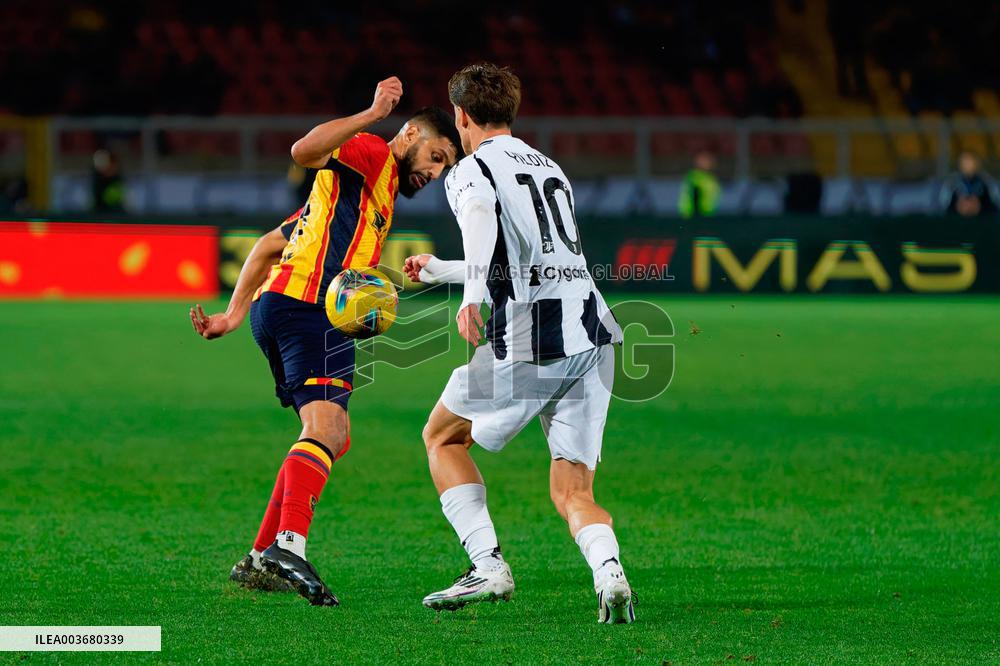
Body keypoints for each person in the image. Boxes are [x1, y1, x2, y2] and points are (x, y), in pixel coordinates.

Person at [190, 77, 462, 606]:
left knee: (332, 434)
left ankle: (261, 554)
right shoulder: (369, 154)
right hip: (307, 308)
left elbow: (273, 242)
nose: (436, 172)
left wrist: (232, 313)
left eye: (446, 166)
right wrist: (371, 112)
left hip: (289, 308)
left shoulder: (370, 193)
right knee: (327, 428)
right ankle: (287, 546)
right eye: (437, 156)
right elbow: (303, 150)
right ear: (408, 135)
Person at [402, 63, 635, 624]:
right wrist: (443, 273)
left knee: (441, 436)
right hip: (594, 335)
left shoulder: (470, 170)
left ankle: (487, 565)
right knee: (572, 486)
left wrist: (471, 296)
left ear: (460, 116)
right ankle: (610, 574)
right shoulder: (548, 165)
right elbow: (525, 257)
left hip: (533, 339)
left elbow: (482, 221)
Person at [940, 151, 998, 217]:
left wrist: (979, 206)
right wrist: (958, 206)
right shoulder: (951, 182)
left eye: (970, 161)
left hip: (981, 221)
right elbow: (943, 205)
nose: (967, 165)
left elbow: (994, 205)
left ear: (976, 163)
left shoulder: (986, 181)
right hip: (956, 221)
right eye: (965, 161)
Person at [678, 150, 720, 218]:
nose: (706, 163)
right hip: (695, 215)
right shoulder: (695, 177)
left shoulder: (710, 178)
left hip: (708, 214)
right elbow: (694, 196)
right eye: (704, 161)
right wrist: (696, 214)